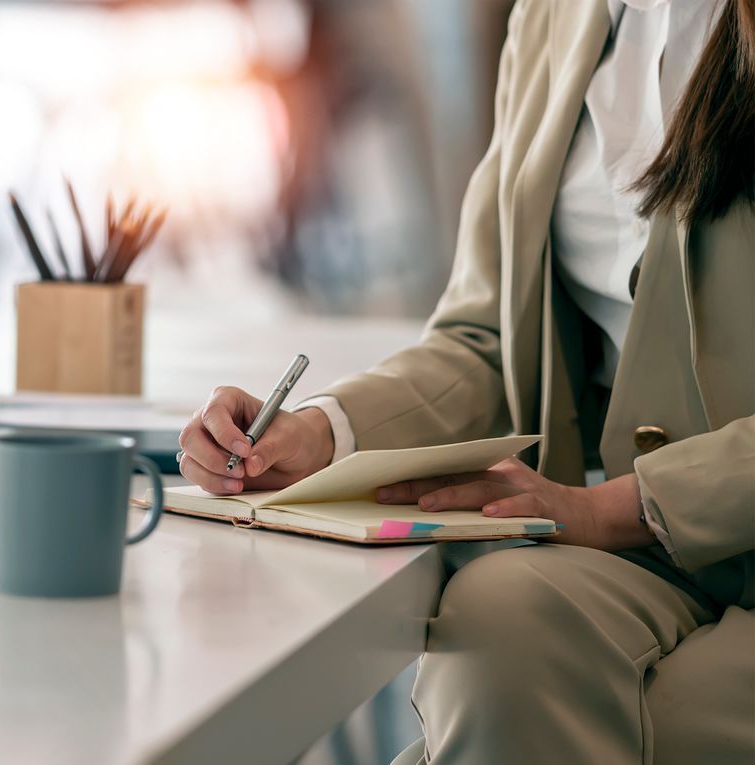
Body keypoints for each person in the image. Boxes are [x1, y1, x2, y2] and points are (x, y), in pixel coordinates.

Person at [178, 0, 755, 761]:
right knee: (494, 623)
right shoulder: (554, 20)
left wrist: (615, 508)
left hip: (657, 534)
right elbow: (488, 334)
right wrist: (319, 432)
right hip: (659, 569)